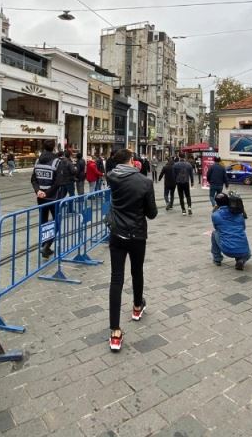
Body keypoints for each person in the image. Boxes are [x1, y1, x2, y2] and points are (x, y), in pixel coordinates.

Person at [105, 148, 158, 351]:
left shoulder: (112, 177)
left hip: (117, 233)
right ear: (132, 161)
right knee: (137, 271)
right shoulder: (144, 182)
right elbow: (151, 213)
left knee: (116, 278)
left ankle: (115, 332)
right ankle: (137, 306)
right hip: (136, 234)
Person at [30, 141, 63, 258]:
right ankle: (47, 245)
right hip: (53, 197)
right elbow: (58, 182)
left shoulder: (37, 161)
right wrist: (47, 193)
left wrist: (38, 191)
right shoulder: (57, 162)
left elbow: (33, 179)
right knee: (57, 221)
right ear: (53, 148)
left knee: (43, 221)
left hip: (41, 198)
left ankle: (45, 245)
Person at [210, 192, 251, 269]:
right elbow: (243, 228)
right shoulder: (239, 214)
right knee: (240, 235)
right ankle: (241, 259)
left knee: (214, 233)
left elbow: (217, 228)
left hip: (227, 249)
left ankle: (217, 259)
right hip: (245, 252)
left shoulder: (215, 215)